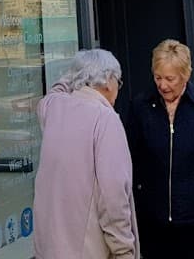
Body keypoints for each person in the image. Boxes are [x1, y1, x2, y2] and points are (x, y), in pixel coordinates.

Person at [126, 39, 194, 258]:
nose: (163, 85)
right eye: (158, 77)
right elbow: (128, 159)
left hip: (193, 217)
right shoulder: (140, 106)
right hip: (150, 216)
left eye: (170, 79)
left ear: (185, 76)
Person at [34, 49, 139, 259]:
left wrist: (79, 72)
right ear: (109, 81)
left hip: (48, 250)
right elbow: (113, 197)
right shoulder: (106, 119)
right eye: (118, 81)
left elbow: (57, 88)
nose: (118, 88)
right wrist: (124, 251)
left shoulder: (54, 107)